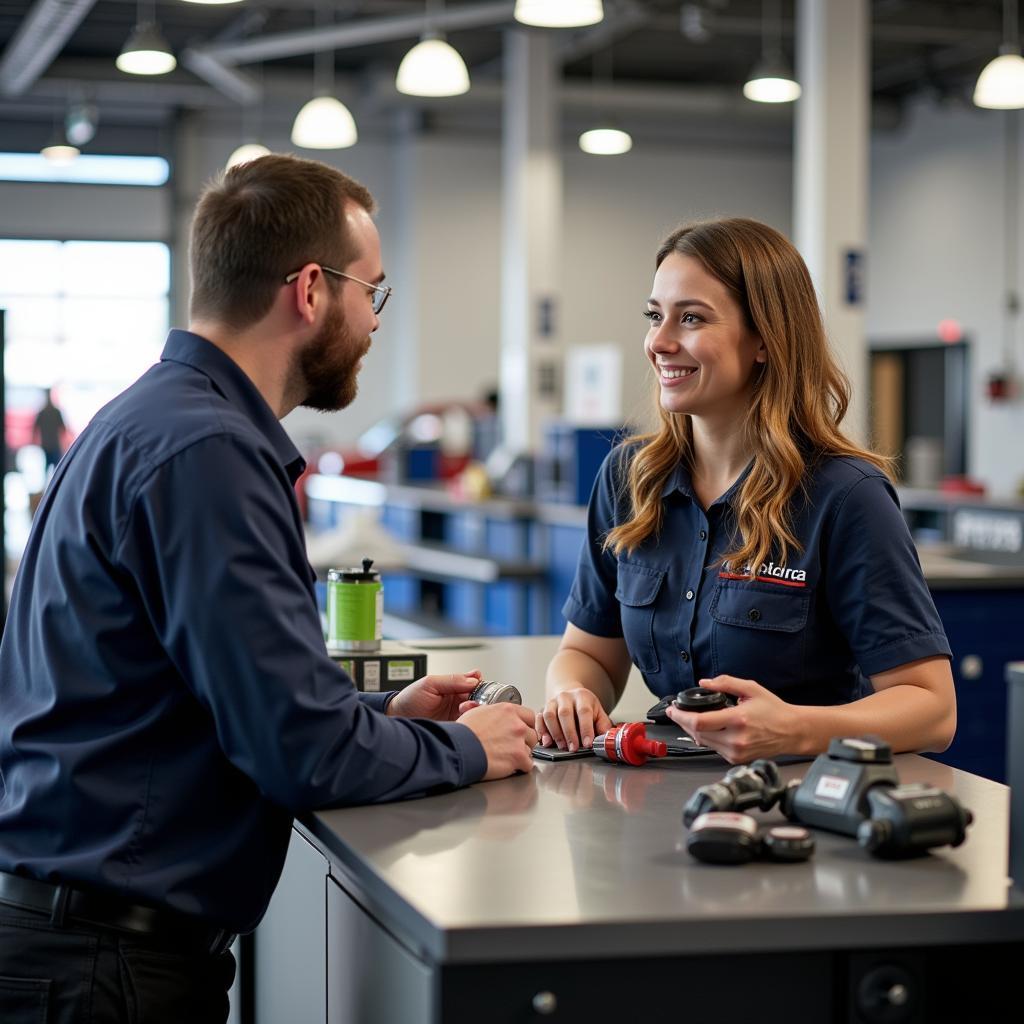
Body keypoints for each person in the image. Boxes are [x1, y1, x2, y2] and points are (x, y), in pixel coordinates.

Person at [0, 154, 538, 1023]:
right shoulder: (207, 453)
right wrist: (471, 748)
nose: (374, 323)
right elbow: (300, 751)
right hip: (105, 970)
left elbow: (219, 695)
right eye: (375, 292)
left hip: (85, 942)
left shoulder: (150, 419)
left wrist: (379, 723)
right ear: (312, 290)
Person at [539, 217, 956, 765]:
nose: (659, 342)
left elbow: (933, 709)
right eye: (654, 316)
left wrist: (798, 730)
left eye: (691, 318)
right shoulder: (629, 478)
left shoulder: (845, 496)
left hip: (798, 808)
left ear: (764, 339)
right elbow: (587, 652)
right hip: (657, 803)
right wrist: (573, 694)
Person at [32, 386, 67, 473]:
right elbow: (63, 429)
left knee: (52, 467)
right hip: (50, 444)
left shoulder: (45, 412)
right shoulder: (52, 412)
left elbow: (35, 429)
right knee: (53, 467)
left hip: (49, 444)